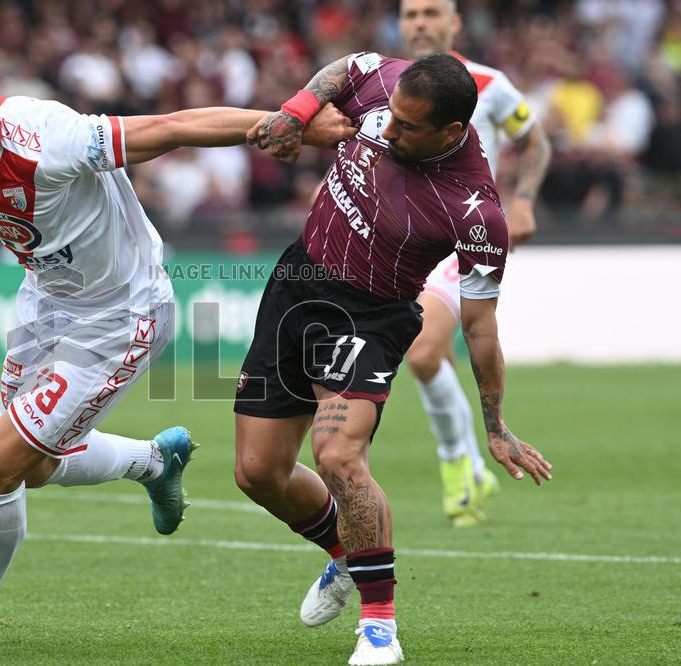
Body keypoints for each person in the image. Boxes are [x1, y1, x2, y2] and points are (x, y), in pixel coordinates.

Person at [0, 44, 350, 650]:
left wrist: (286, 123)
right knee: (31, 469)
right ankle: (153, 461)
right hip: (45, 305)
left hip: (121, 316)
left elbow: (172, 127)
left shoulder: (46, 138)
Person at [236, 53, 553, 665]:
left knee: (338, 455)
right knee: (258, 472)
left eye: (407, 127)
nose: (387, 130)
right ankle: (346, 555)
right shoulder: (390, 84)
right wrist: (296, 112)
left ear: (451, 131)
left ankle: (380, 627)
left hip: (370, 316)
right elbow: (344, 70)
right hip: (296, 284)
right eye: (391, 116)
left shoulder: (476, 210)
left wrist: (495, 426)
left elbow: (480, 327)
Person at [398, 0, 552, 526]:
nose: (420, 23)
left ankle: (457, 464)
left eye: (430, 13)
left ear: (455, 22)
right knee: (430, 355)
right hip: (404, 241)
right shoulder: (389, 85)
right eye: (410, 14)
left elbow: (535, 144)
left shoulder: (490, 84)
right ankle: (472, 470)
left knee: (423, 351)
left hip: (465, 239)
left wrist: (524, 200)